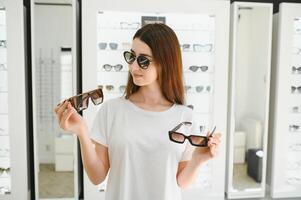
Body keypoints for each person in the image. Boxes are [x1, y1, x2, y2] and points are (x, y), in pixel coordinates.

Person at [54, 23, 221, 200]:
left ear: (165, 62)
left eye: (143, 60)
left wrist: (198, 160)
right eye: (132, 57)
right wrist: (82, 132)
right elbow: (97, 177)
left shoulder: (185, 116)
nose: (133, 67)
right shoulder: (112, 110)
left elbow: (182, 182)